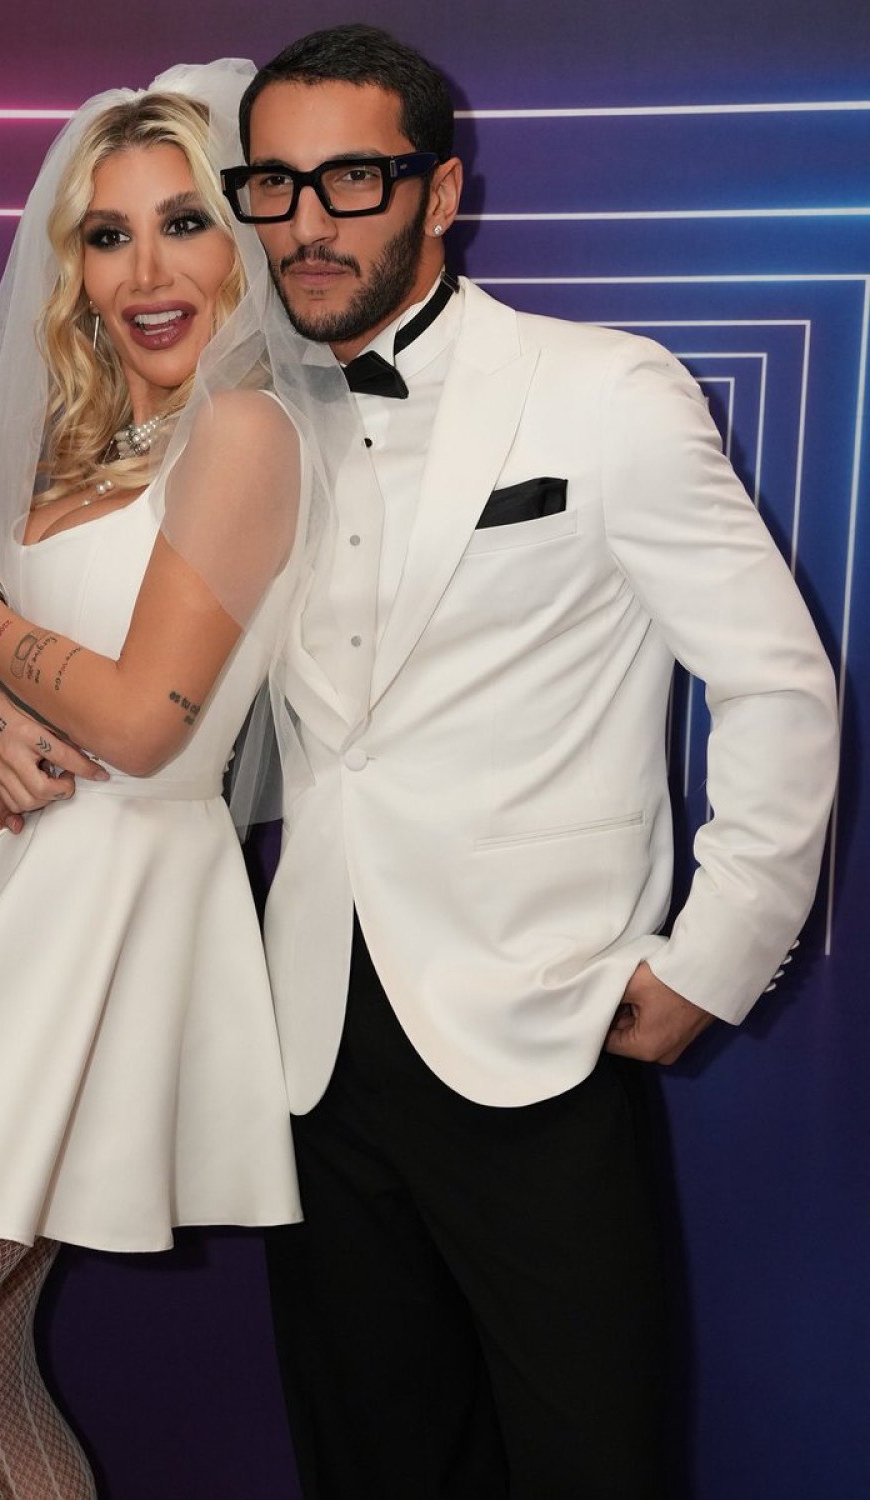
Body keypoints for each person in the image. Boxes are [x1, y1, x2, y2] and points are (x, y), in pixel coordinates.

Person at [220, 24, 842, 1499]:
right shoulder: (248, 427)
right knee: (370, 1461)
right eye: (274, 185)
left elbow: (775, 683)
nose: (307, 222)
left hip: (541, 1020)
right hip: (305, 1041)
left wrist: (717, 956)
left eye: (353, 179)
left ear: (440, 193)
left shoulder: (604, 390)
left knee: (590, 1459)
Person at [0, 60, 348, 1500]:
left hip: (107, 899)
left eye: (185, 223)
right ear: (73, 266)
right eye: (108, 235)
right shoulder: (89, 437)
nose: (146, 272)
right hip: (24, 890)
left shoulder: (245, 428)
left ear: (244, 242)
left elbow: (143, 725)